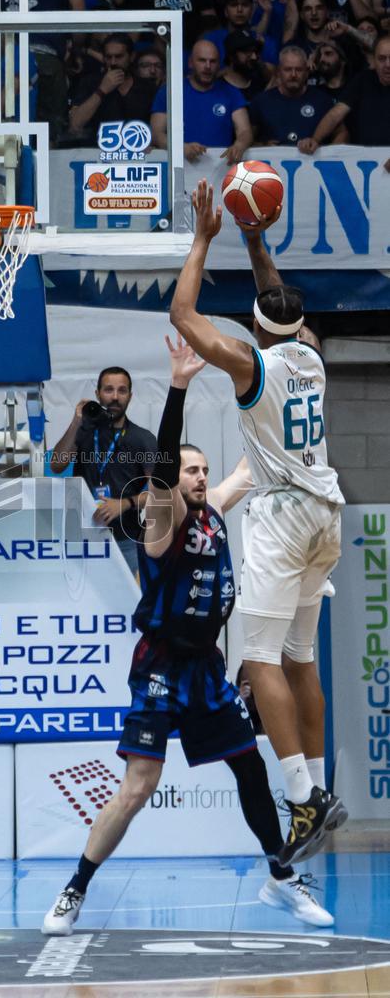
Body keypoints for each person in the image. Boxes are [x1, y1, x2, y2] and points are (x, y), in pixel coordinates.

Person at [42, 336, 334, 936]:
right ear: (173, 477)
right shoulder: (159, 516)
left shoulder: (215, 509)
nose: (200, 477)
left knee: (251, 769)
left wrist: (288, 363)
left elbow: (262, 458)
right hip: (159, 665)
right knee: (137, 789)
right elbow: (169, 459)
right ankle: (75, 889)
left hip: (205, 668)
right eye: (191, 470)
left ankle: (281, 877)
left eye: (204, 470)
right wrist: (179, 384)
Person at [169, 180, 347, 867]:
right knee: (300, 658)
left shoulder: (252, 364)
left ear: (253, 326)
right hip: (327, 513)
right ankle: (321, 791)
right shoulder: (310, 356)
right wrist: (253, 239)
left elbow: (185, 315)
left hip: (282, 515)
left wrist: (205, 238)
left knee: (258, 660)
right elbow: (276, 303)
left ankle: (301, 796)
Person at [49, 367, 156, 575]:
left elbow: (160, 493)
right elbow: (57, 465)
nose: (115, 397)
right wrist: (77, 421)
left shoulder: (143, 438)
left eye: (122, 391)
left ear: (130, 396)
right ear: (97, 394)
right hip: (83, 538)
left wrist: (125, 504)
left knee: (130, 605)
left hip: (127, 541)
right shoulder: (84, 432)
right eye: (108, 390)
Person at [150, 40, 252, 164]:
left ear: (219, 64)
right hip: (179, 169)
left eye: (213, 61)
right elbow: (156, 133)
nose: (208, 66)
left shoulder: (231, 92)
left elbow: (244, 130)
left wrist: (239, 145)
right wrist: (180, 148)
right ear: (190, 63)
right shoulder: (170, 91)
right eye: (202, 60)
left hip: (221, 170)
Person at [299, 36, 390, 162]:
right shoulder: (363, 80)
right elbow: (335, 114)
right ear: (374, 61)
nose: (388, 64)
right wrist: (315, 139)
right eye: (382, 59)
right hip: (364, 164)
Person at [69, 34, 156, 144]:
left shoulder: (147, 88)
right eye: (108, 57)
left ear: (132, 56)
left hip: (138, 152)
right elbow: (75, 125)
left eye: (119, 56)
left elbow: (158, 128)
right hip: (97, 153)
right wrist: (102, 90)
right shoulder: (90, 83)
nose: (113, 62)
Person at [248, 46, 336, 147]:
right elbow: (247, 140)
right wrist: (263, 146)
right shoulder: (260, 102)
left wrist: (332, 155)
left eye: (298, 70)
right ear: (278, 72)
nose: (293, 75)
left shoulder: (322, 101)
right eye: (287, 69)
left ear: (306, 72)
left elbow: (341, 133)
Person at [203, 0, 280, 71]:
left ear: (252, 10)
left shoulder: (266, 42)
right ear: (226, 11)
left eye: (245, 5)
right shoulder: (210, 40)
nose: (239, 10)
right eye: (234, 5)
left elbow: (272, 77)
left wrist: (257, 56)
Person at [221, 28, 270, 102]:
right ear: (231, 56)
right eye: (247, 52)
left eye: (255, 51)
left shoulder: (258, 81)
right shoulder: (220, 87)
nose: (254, 57)